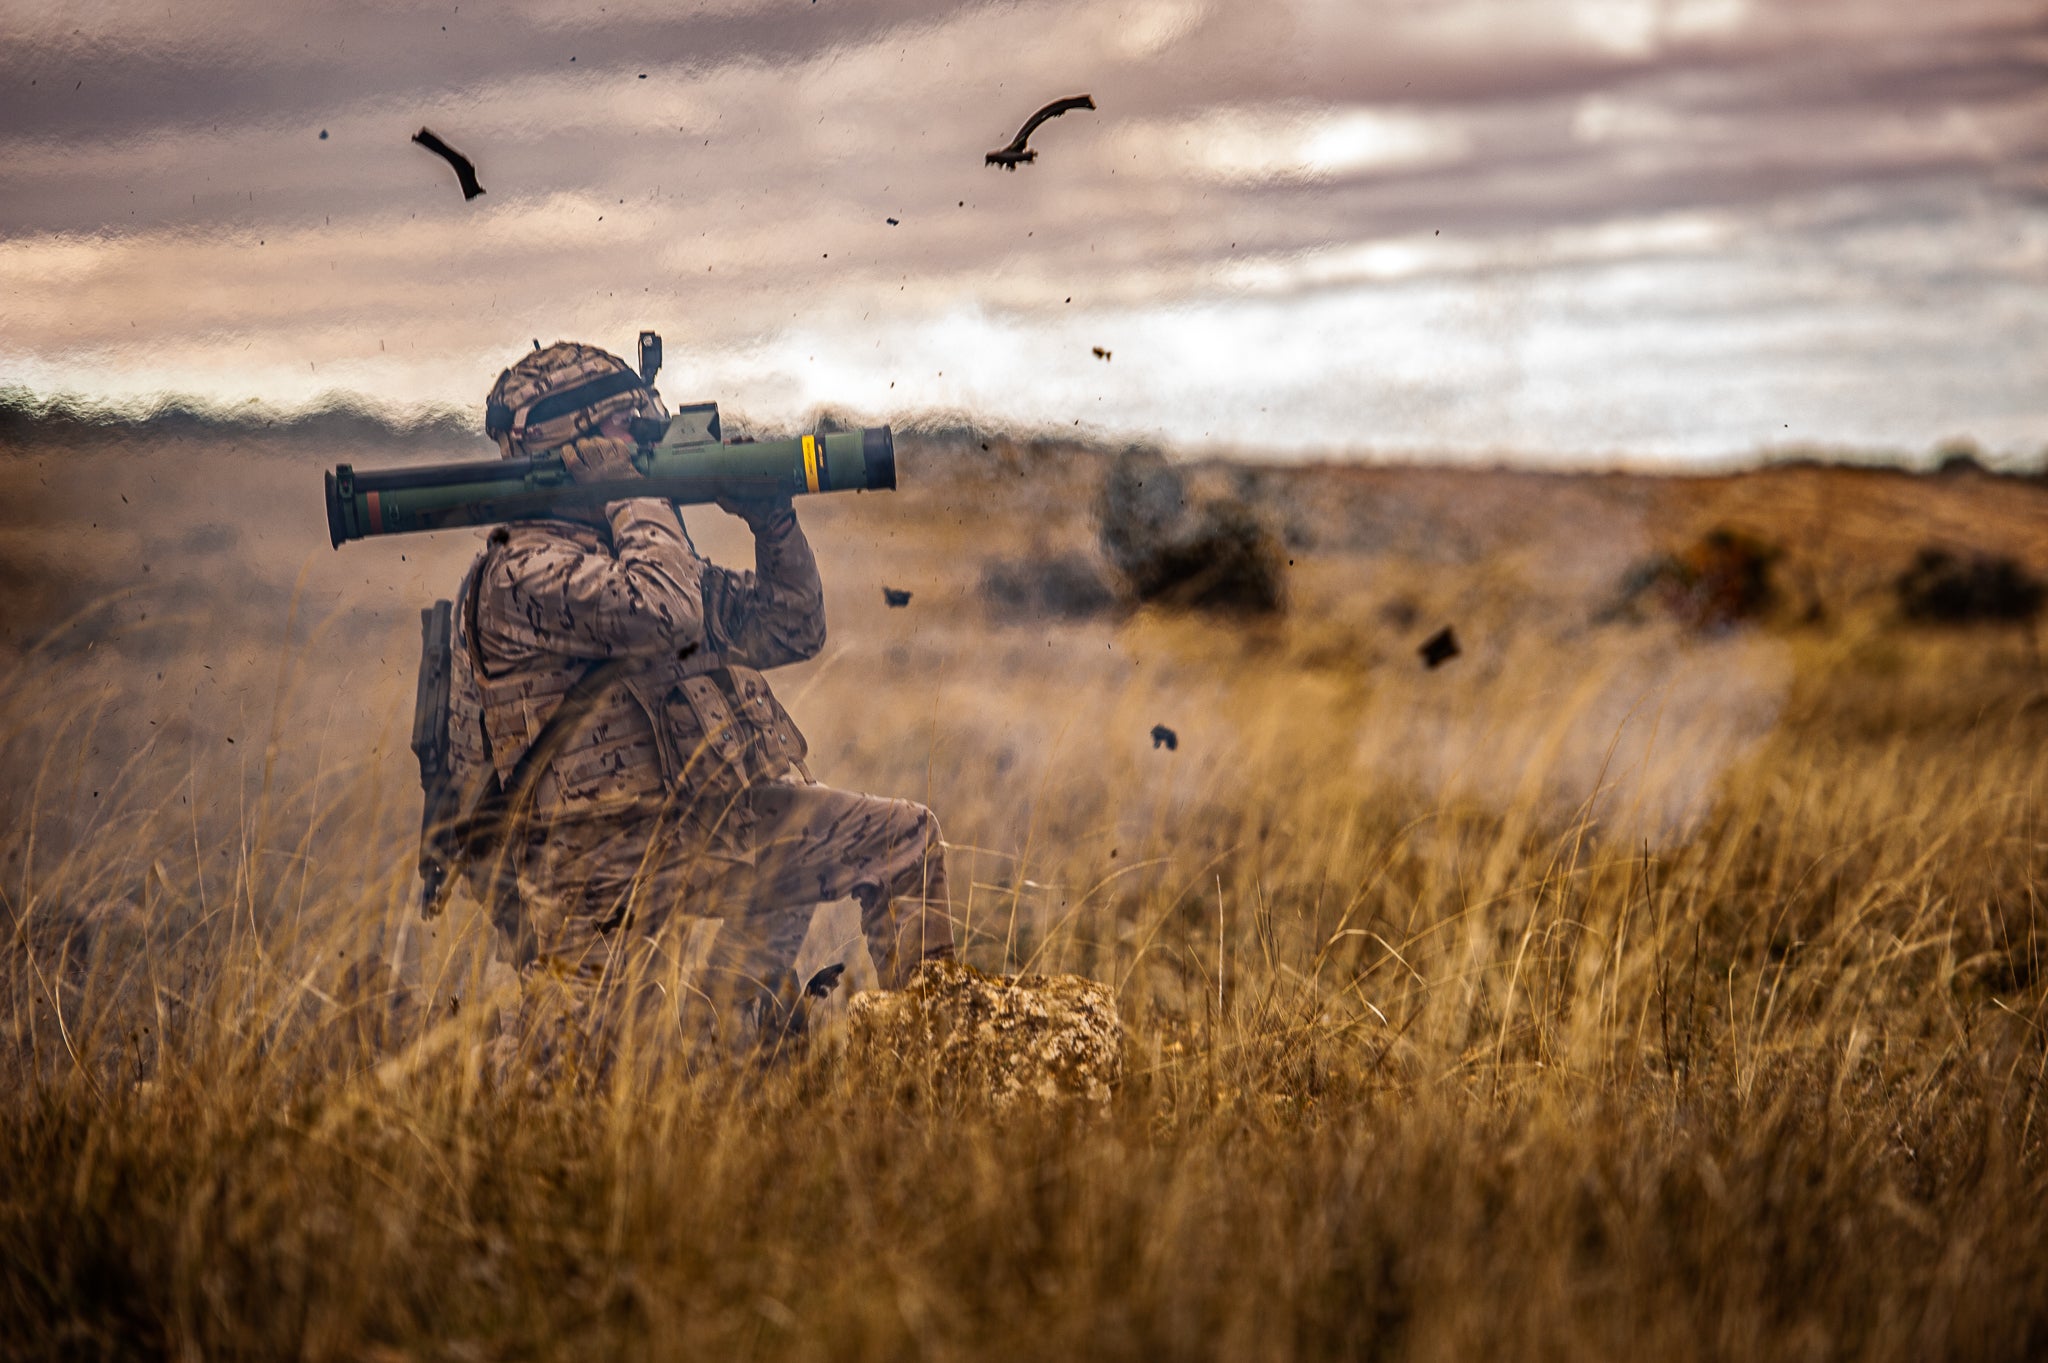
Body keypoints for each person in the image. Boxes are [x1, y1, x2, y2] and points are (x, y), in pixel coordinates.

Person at [444, 340, 955, 1078]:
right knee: (584, 1078)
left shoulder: (626, 547)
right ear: (573, 444)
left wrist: (771, 522)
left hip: (700, 828)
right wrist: (632, 494)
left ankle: (934, 1064)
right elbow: (664, 609)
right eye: (631, 434)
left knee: (902, 839)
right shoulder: (520, 571)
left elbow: (790, 626)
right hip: (595, 865)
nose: (647, 447)